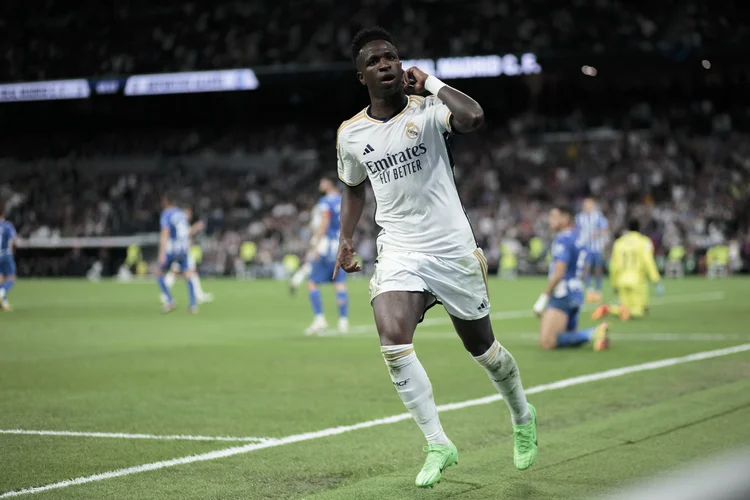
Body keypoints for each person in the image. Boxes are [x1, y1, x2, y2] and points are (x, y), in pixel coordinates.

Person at [333, 27, 537, 488]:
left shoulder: (428, 110)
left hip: (452, 249)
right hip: (400, 249)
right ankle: (437, 442)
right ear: (360, 74)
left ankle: (523, 416)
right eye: (376, 60)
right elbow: (352, 189)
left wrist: (433, 83)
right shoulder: (350, 134)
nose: (386, 64)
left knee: (484, 351)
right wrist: (345, 239)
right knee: (391, 336)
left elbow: (475, 117)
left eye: (392, 57)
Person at [532, 205, 609, 350]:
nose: (550, 220)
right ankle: (590, 335)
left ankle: (594, 333)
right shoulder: (578, 237)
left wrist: (543, 297)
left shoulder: (563, 239)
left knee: (547, 342)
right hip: (576, 292)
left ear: (565, 218)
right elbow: (586, 268)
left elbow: (559, 272)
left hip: (563, 294)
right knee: (566, 336)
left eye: (554, 216)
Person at [592, 219, 663, 321]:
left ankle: (607, 309)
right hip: (637, 281)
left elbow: (613, 265)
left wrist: (614, 283)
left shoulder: (619, 243)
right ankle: (608, 309)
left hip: (622, 280)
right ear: (639, 228)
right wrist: (656, 279)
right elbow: (648, 262)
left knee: (625, 311)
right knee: (639, 312)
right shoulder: (643, 242)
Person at [305, 177, 349, 335]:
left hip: (327, 246)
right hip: (341, 246)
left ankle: (319, 319)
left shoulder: (325, 201)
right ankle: (343, 321)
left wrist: (316, 243)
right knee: (340, 283)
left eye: (323, 181)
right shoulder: (343, 199)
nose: (320, 184)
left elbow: (324, 221)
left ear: (329, 183)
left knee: (311, 282)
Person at [162, 205, 213, 305]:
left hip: (183, 251)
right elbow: (186, 234)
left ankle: (199, 294)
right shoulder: (180, 223)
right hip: (178, 252)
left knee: (190, 272)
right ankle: (165, 294)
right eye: (188, 213)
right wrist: (196, 227)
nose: (189, 215)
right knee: (175, 272)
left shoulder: (182, 223)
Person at [156, 192, 197, 314]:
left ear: (166, 201)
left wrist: (161, 253)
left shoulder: (167, 214)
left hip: (172, 249)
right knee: (188, 275)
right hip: (183, 249)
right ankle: (193, 305)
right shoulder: (181, 214)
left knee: (159, 272)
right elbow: (186, 231)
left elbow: (165, 233)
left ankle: (169, 301)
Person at [575, 198, 609, 303]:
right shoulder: (579, 217)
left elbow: (604, 228)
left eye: (589, 205)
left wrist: (597, 233)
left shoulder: (598, 216)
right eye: (585, 205)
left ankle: (598, 290)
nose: (587, 207)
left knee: (598, 268)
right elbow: (576, 231)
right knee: (586, 268)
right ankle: (590, 290)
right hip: (585, 247)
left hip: (597, 247)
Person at [0, 201, 17, 312]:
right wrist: (14, 251)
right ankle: (2, 292)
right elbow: (14, 241)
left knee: (0, 278)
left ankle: (4, 303)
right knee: (11, 277)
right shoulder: (7, 225)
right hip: (5, 254)